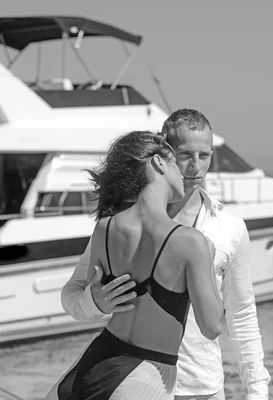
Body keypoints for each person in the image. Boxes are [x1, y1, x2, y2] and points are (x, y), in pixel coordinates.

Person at [61, 109, 272, 399]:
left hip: (200, 388)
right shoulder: (121, 221)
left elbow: (243, 313)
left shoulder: (228, 228)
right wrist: (94, 302)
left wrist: (257, 390)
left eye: (205, 156)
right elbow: (72, 293)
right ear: (164, 154)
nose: (195, 168)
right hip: (131, 380)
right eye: (186, 155)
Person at [44, 130, 225, 400]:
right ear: (158, 163)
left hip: (88, 367)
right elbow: (212, 326)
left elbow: (81, 289)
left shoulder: (105, 227)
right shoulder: (191, 241)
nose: (183, 172)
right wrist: (208, 262)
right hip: (143, 377)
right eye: (175, 161)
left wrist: (94, 303)